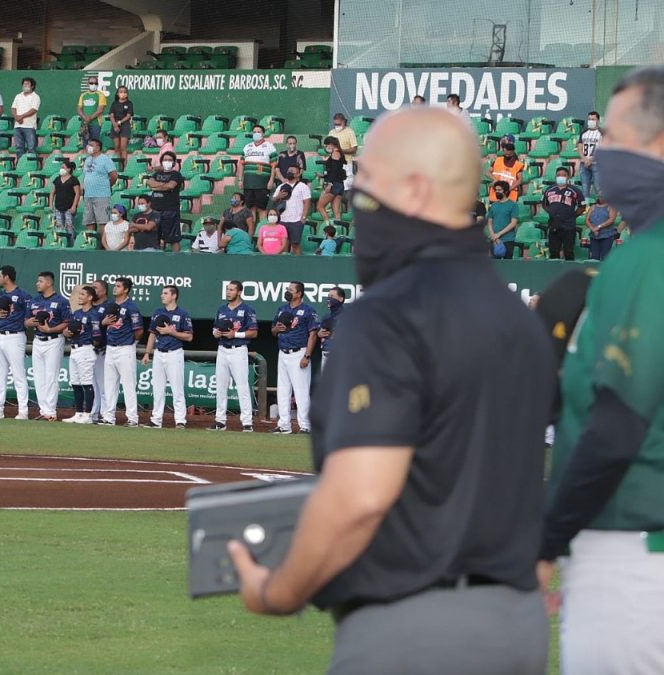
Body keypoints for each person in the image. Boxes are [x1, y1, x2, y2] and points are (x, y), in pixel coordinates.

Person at [228, 108, 556, 675]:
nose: (359, 197)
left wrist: (278, 591)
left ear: (416, 189)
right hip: (515, 625)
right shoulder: (519, 320)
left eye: (370, 182)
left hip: (412, 627)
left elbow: (360, 497)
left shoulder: (387, 314)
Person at [539, 66, 664, 675]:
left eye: (610, 137)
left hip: (631, 551)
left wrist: (545, 538)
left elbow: (618, 427)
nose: (597, 154)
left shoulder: (645, 258)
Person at [270, 281, 318, 434]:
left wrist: (307, 356)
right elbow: (273, 331)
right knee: (283, 390)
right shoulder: (282, 309)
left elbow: (313, 334)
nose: (287, 292)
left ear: (299, 293)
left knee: (301, 391)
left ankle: (305, 425)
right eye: (287, 289)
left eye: (291, 290)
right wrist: (277, 329)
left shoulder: (308, 310)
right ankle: (284, 425)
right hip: (282, 352)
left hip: (299, 353)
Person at [0, 265, 31, 420]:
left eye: (0, 276)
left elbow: (28, 317)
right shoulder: (1, 295)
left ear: (7, 277)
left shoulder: (23, 295)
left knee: (18, 375)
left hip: (15, 336)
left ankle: (23, 411)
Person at [142, 285, 193, 429]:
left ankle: (180, 420)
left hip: (174, 353)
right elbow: (152, 333)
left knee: (177, 388)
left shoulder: (182, 313)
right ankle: (156, 419)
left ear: (174, 295)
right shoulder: (158, 312)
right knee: (157, 388)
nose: (162, 296)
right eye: (162, 293)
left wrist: (171, 332)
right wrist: (147, 353)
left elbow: (189, 336)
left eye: (165, 293)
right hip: (159, 353)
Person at [210, 280, 257, 432]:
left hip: (238, 349)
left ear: (239, 292)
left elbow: (253, 332)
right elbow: (214, 329)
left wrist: (235, 334)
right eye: (227, 289)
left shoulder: (247, 309)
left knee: (242, 387)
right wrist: (216, 333)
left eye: (231, 290)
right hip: (222, 349)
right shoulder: (222, 309)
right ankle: (220, 421)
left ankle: (247, 422)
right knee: (220, 386)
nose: (228, 292)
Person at [26, 271, 71, 422]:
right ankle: (43, 410)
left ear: (49, 283)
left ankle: (51, 411)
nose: (37, 283)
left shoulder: (61, 301)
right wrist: (29, 322)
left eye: (40, 281)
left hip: (54, 340)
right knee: (39, 377)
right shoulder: (34, 300)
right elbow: (26, 321)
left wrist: (50, 330)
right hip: (38, 340)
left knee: (51, 376)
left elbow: (67, 322)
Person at [99, 277, 143, 427]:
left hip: (125, 348)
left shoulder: (131, 306)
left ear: (126, 289)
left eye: (118, 286)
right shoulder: (110, 305)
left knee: (128, 384)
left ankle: (132, 418)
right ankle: (108, 417)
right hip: (110, 347)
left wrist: (131, 343)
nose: (115, 288)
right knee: (109, 384)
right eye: (115, 285)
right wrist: (104, 322)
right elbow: (101, 324)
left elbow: (139, 330)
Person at [63, 285, 100, 424]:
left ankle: (88, 415)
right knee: (75, 383)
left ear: (90, 297)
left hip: (86, 349)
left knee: (86, 383)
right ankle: (78, 413)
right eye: (80, 294)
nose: (79, 296)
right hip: (74, 348)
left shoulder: (93, 314)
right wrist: (67, 333)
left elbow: (97, 336)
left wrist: (90, 346)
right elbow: (69, 330)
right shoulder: (77, 313)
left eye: (83, 294)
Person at [542, 167, 586, 260]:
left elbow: (582, 207)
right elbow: (544, 204)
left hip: (568, 226)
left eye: (563, 175)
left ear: (568, 177)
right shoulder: (549, 190)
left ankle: (570, 269)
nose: (560, 177)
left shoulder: (575, 191)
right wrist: (552, 212)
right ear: (555, 177)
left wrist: (572, 215)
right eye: (558, 175)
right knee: (553, 252)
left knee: (568, 252)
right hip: (553, 225)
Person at [237, 124, 277, 225]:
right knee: (250, 209)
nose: (256, 134)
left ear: (263, 134)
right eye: (254, 132)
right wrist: (240, 180)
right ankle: (252, 231)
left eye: (259, 132)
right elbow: (241, 164)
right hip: (248, 183)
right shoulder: (247, 147)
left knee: (262, 209)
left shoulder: (269, 146)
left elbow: (274, 165)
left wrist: (271, 180)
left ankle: (261, 230)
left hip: (262, 184)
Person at [146, 151, 185, 252]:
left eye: (170, 160)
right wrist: (164, 185)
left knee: (173, 239)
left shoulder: (176, 174)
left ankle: (176, 258)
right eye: (165, 160)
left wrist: (157, 186)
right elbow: (149, 183)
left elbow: (170, 186)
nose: (167, 162)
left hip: (170, 210)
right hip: (155, 210)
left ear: (174, 162)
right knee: (154, 237)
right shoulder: (156, 174)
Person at [82, 138, 118, 237]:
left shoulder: (105, 159)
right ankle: (92, 242)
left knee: (102, 221)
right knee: (89, 221)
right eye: (88, 145)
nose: (88, 147)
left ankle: (102, 243)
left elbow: (114, 176)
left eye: (91, 145)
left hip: (101, 195)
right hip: (88, 195)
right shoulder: (87, 160)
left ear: (98, 148)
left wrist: (107, 185)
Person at [273, 165, 312, 255]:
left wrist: (303, 217)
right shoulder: (281, 186)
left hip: (296, 220)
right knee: (282, 244)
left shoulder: (303, 186)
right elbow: (273, 199)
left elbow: (307, 202)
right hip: (282, 220)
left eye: (292, 171)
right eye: (288, 170)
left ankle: (298, 261)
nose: (289, 172)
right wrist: (278, 196)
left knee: (295, 244)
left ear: (298, 174)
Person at [89, 279, 109, 422]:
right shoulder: (88, 306)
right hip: (88, 349)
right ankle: (94, 414)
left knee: (103, 385)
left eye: (95, 287)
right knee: (93, 385)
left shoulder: (109, 306)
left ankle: (106, 414)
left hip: (103, 349)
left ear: (104, 290)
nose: (93, 290)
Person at [316, 137, 347, 223]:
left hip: (334, 185)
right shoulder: (339, 153)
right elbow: (336, 171)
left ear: (331, 144)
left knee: (320, 206)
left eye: (327, 145)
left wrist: (330, 184)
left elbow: (334, 171)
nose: (326, 147)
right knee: (336, 212)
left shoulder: (335, 154)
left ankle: (328, 226)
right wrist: (324, 176)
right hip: (339, 184)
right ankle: (337, 228)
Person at [487, 180, 521, 259]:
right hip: (494, 240)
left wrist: (498, 234)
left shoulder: (513, 205)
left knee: (507, 263)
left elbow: (513, 223)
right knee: (494, 264)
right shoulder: (493, 205)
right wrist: (493, 235)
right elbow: (489, 222)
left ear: (505, 191)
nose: (497, 192)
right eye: (496, 190)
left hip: (508, 239)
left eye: (499, 190)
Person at [50, 160, 81, 241]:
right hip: (58, 207)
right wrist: (51, 204)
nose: (61, 169)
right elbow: (52, 193)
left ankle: (71, 243)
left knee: (69, 227)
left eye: (63, 167)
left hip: (69, 208)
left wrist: (74, 206)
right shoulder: (57, 179)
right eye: (61, 167)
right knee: (59, 227)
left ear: (69, 169)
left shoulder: (74, 180)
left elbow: (77, 193)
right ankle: (61, 243)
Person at [11, 77, 40, 159]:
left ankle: (32, 164)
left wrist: (21, 117)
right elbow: (13, 108)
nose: (25, 85)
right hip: (17, 126)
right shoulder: (18, 96)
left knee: (31, 148)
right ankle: (20, 164)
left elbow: (33, 110)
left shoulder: (35, 97)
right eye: (24, 84)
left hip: (29, 126)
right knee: (19, 148)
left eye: (27, 84)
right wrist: (16, 117)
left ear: (32, 86)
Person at [317, 286, 345, 370]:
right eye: (328, 296)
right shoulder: (326, 317)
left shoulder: (347, 315)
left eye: (332, 296)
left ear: (341, 299)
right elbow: (319, 333)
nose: (329, 298)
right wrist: (319, 334)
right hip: (325, 354)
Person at [327, 113, 359, 189]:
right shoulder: (331, 132)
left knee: (345, 186)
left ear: (344, 122)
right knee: (333, 187)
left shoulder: (350, 132)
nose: (337, 126)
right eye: (335, 124)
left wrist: (340, 151)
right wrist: (329, 150)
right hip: (334, 164)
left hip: (346, 164)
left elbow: (354, 149)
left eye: (339, 124)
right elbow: (327, 147)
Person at [577, 110, 602, 197]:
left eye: (593, 119)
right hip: (584, 164)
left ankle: (602, 205)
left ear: (598, 120)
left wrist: (591, 159)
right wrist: (584, 159)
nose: (591, 121)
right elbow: (580, 148)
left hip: (597, 163)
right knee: (584, 187)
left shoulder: (602, 133)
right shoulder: (583, 133)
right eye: (589, 119)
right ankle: (586, 204)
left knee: (598, 187)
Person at [586, 196, 618, 261]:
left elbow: (611, 220)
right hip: (594, 235)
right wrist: (593, 229)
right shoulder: (593, 207)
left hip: (607, 235)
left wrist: (598, 227)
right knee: (594, 257)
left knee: (605, 256)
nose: (601, 198)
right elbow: (587, 220)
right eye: (599, 196)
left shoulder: (611, 207)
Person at [109, 85, 134, 169]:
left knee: (123, 148)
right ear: (117, 93)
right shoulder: (114, 103)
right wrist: (115, 124)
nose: (123, 94)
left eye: (125, 92)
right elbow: (111, 115)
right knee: (117, 147)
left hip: (125, 126)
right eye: (121, 92)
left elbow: (128, 116)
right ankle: (117, 167)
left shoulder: (129, 103)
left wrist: (119, 122)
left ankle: (124, 167)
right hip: (115, 126)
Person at [78, 75, 107, 143]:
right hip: (85, 124)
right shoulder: (83, 95)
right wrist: (85, 118)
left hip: (96, 124)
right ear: (88, 84)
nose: (93, 85)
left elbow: (100, 110)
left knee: (94, 143)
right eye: (91, 83)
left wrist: (90, 118)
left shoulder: (100, 95)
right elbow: (79, 109)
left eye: (95, 83)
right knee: (85, 144)